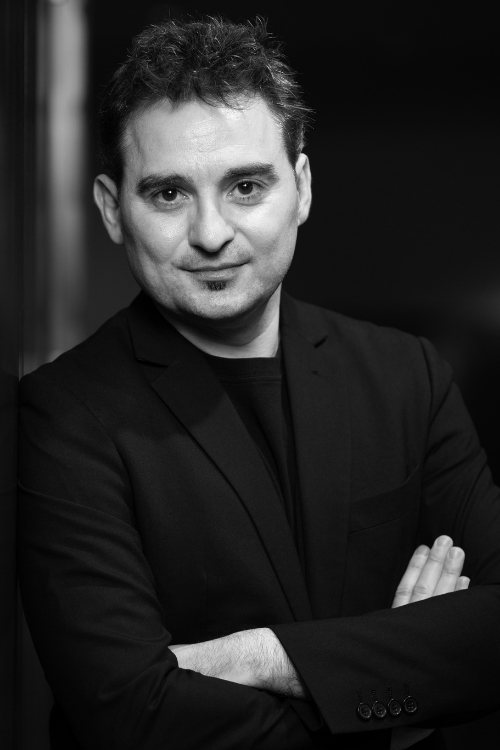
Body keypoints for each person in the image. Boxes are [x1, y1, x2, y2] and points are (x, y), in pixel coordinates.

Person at [17, 17, 500, 750]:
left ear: (301, 188)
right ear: (114, 210)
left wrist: (262, 656)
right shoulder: (63, 413)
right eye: (168, 194)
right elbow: (127, 713)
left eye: (246, 186)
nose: (211, 233)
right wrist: (391, 696)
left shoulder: (407, 377)